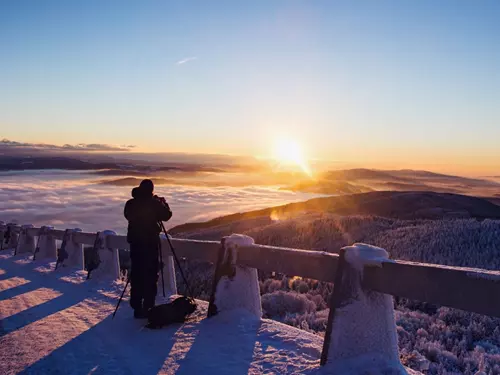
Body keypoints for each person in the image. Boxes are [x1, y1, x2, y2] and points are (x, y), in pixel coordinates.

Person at [124, 179, 172, 318]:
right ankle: (148, 306)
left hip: (135, 244)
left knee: (137, 273)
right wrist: (163, 203)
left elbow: (128, 215)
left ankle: (136, 305)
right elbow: (167, 215)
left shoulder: (131, 203)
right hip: (150, 244)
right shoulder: (154, 204)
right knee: (150, 274)